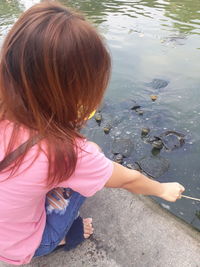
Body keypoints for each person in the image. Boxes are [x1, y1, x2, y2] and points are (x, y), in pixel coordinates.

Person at [0, 1, 185, 265]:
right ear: (78, 89)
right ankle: (62, 238)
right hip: (17, 247)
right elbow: (127, 180)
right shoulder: (68, 153)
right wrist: (162, 189)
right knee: (92, 167)